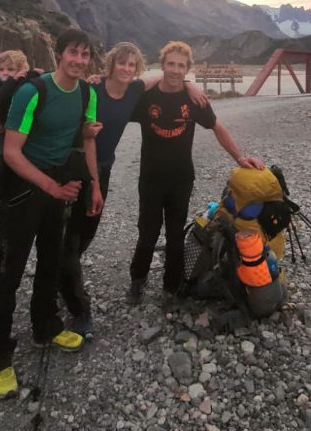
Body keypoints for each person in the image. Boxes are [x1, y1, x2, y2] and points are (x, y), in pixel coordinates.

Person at [0, 28, 104, 401]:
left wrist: (95, 185)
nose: (80, 61)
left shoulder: (87, 93)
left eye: (85, 55)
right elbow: (13, 153)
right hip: (23, 190)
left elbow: (85, 141)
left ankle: (45, 325)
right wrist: (50, 188)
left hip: (59, 186)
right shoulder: (31, 92)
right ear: (59, 54)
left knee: (51, 262)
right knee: (9, 271)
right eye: (74, 53)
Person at [60, 42, 207, 339]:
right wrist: (93, 183)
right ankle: (76, 302)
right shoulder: (92, 89)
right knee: (71, 238)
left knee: (85, 234)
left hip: (105, 168)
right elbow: (84, 133)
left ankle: (61, 282)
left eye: (131, 64)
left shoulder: (133, 92)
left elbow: (160, 79)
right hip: (74, 166)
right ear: (111, 64)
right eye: (121, 63)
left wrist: (189, 84)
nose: (126, 69)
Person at [127, 40, 264, 305]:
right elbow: (116, 101)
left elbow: (217, 127)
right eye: (170, 64)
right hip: (151, 178)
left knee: (176, 234)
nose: (175, 70)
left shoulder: (194, 100)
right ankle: (137, 280)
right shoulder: (147, 99)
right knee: (147, 232)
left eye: (181, 66)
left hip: (181, 178)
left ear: (187, 69)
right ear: (162, 65)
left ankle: (171, 286)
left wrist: (240, 157)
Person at [0, 50, 36, 225]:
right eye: (1, 69)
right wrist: (13, 79)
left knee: (22, 160)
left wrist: (33, 74)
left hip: (19, 130)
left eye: (10, 69)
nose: (4, 73)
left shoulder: (22, 82)